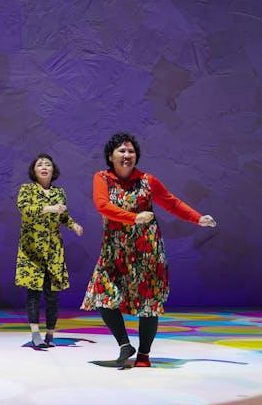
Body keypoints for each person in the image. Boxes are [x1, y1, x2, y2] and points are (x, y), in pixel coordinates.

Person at [80, 133, 216, 367]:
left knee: (149, 302)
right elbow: (103, 206)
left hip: (147, 251)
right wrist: (134, 218)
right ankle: (125, 345)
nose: (127, 155)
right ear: (110, 156)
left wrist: (198, 219)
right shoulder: (101, 178)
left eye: (131, 151)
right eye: (121, 151)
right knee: (102, 296)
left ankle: (144, 355)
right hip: (114, 251)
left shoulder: (147, 180)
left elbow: (171, 202)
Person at [15, 153, 84, 348]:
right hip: (32, 251)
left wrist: (73, 225)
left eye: (48, 164)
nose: (44, 167)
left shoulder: (59, 192)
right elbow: (25, 210)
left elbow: (63, 216)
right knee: (33, 292)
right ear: (34, 170)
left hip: (53, 251)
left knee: (52, 294)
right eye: (40, 164)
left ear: (53, 170)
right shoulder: (26, 189)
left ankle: (50, 334)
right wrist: (48, 208)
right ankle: (35, 333)